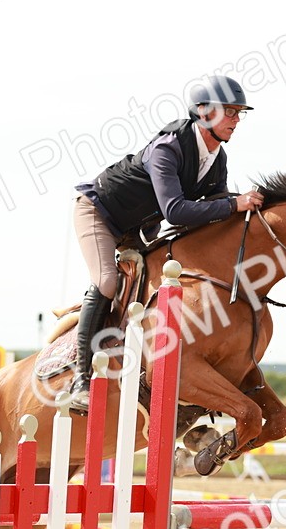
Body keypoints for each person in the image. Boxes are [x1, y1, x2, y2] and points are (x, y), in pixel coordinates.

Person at [68, 75, 264, 411]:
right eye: (229, 111)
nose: (235, 119)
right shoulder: (168, 148)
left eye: (238, 113)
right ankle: (81, 378)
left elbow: (214, 210)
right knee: (106, 281)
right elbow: (175, 211)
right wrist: (235, 204)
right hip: (100, 214)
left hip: (136, 229)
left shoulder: (217, 158)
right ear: (203, 112)